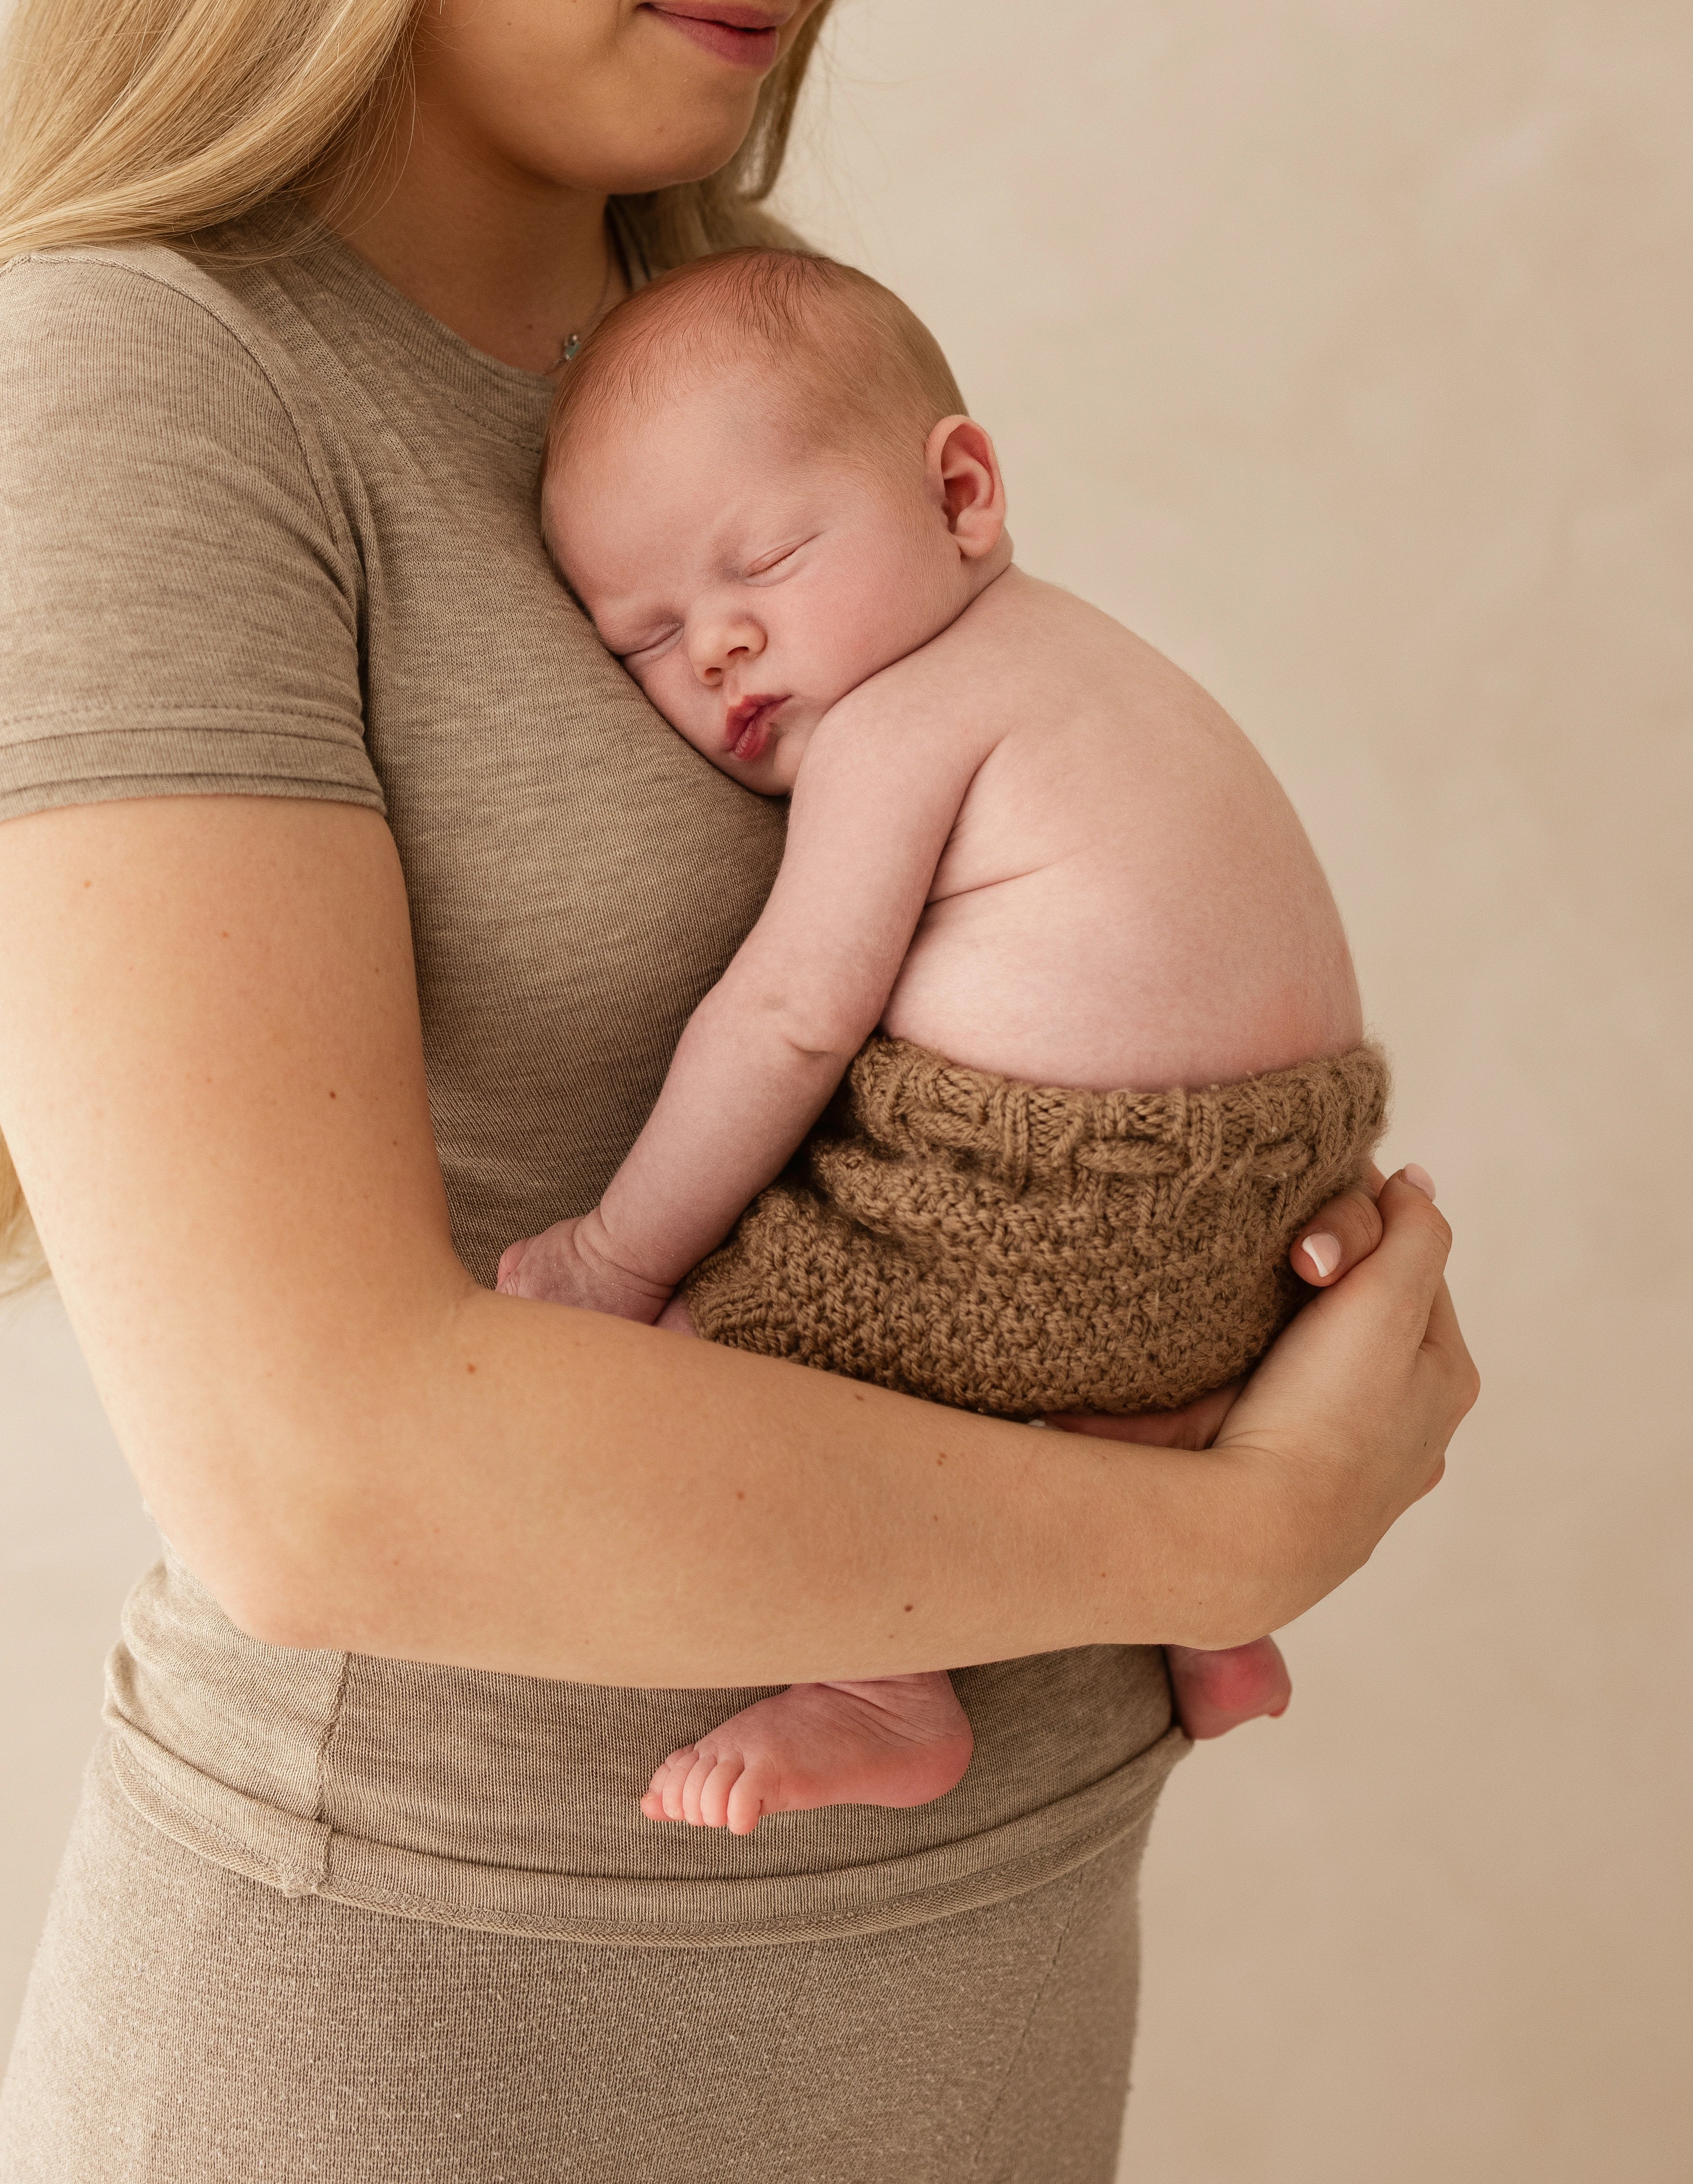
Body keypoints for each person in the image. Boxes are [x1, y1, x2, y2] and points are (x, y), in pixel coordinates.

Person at [0, 0, 1476, 2184]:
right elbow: (329, 1468)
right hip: (417, 2061)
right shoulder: (127, 397)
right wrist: (1219, 1530)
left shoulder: (734, 382)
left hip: (957, 2015)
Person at [504, 245, 1397, 1829]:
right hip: (1280, 1228)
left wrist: (618, 1263)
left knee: (728, 1382)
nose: (710, 648)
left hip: (1057, 1207)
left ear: (962, 490)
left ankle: (878, 1691)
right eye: (642, 634)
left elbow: (782, 1022)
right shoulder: (1093, 662)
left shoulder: (905, 718)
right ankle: (1210, 1619)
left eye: (763, 560)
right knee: (1065, 1382)